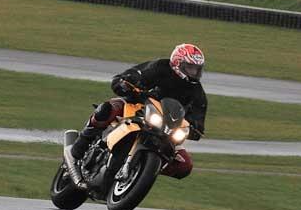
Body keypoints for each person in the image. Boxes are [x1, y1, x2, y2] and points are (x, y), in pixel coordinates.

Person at [70, 43, 207, 185]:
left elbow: (198, 121)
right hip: (138, 105)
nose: (194, 72)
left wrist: (193, 129)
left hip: (166, 128)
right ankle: (79, 147)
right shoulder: (160, 66)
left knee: (185, 165)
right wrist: (126, 82)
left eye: (197, 69)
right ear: (178, 63)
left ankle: (144, 170)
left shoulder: (197, 92)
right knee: (107, 109)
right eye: (190, 68)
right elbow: (136, 73)